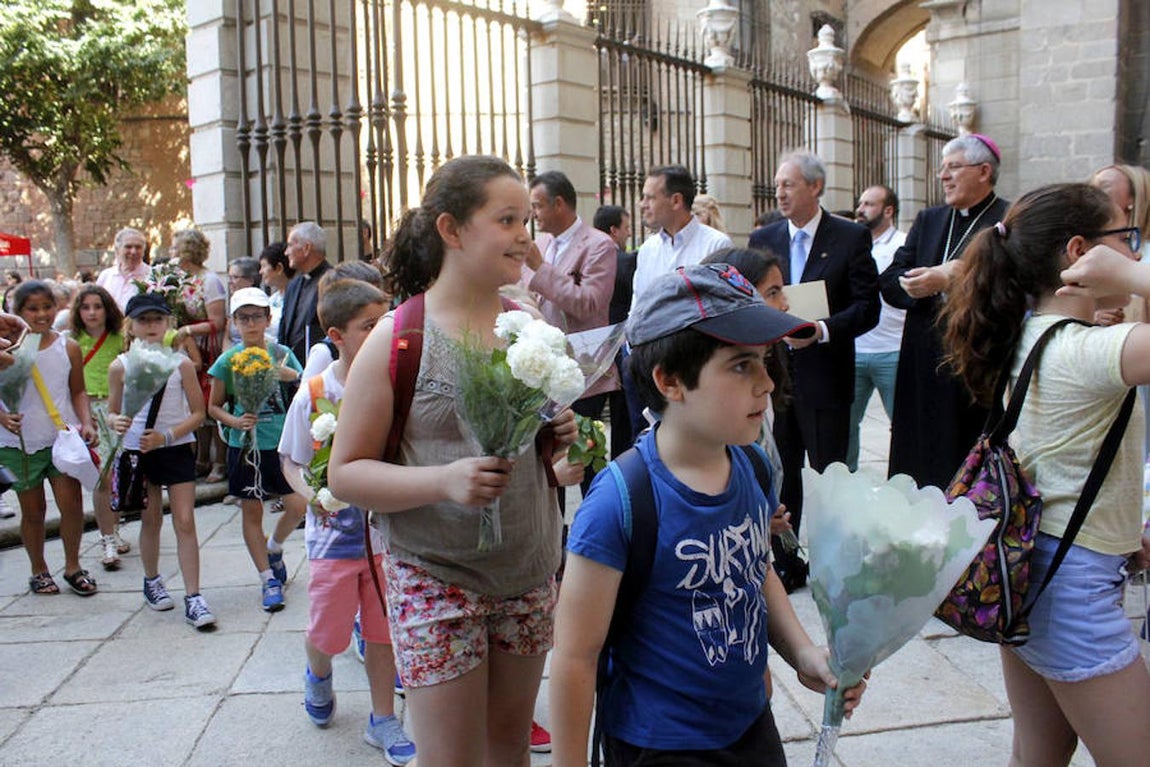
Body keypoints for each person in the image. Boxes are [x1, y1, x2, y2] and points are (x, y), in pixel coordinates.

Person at [549, 262, 864, 767]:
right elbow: (575, 655)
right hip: (662, 742)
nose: (766, 382)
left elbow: (755, 568)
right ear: (670, 381)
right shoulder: (620, 501)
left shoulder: (753, 467)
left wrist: (803, 653)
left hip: (749, 726)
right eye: (741, 365)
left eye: (766, 360)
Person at [328, 155, 578, 767]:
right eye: (508, 219)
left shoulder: (529, 327)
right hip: (435, 576)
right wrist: (444, 480)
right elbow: (345, 473)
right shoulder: (398, 338)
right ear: (451, 229)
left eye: (529, 218)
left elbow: (543, 445)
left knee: (509, 750)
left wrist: (558, 432)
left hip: (527, 572)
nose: (527, 234)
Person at [941, 182, 1150, 767]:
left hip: (1031, 563)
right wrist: (1135, 280)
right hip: (1070, 587)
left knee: (1041, 750)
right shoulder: (1091, 351)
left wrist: (1120, 531)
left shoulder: (1033, 332)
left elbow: (1059, 457)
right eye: (1124, 239)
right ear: (1080, 250)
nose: (1134, 252)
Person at [279, 278, 415, 764]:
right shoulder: (314, 393)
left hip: (386, 534)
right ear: (336, 335)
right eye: (369, 326)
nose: (383, 333)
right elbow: (291, 460)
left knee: (383, 630)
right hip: (334, 538)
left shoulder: (396, 383)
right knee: (329, 632)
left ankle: (383, 719)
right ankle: (318, 671)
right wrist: (311, 493)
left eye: (386, 323)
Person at [747, 151, 880, 592]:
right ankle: (786, 560)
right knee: (780, 471)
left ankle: (833, 559)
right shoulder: (765, 238)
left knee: (828, 474)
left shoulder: (850, 237)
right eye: (778, 185)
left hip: (826, 375)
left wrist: (823, 330)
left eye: (789, 184)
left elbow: (867, 308)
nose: (780, 192)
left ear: (815, 187)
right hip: (778, 376)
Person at [879, 134, 1010, 490]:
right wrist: (912, 286)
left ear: (984, 171)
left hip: (974, 364)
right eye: (942, 168)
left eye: (953, 167)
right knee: (917, 461)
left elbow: (1011, 285)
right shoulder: (930, 220)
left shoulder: (1009, 220)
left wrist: (950, 280)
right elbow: (889, 279)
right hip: (921, 364)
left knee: (963, 459)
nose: (943, 176)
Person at [108, 293, 213, 628]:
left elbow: (199, 413)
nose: (151, 326)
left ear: (169, 323)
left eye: (157, 319)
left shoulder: (180, 363)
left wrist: (167, 436)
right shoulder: (120, 366)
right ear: (131, 325)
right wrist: (116, 422)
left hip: (174, 446)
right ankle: (152, 579)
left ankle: (194, 595)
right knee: (150, 518)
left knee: (184, 519)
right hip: (139, 450)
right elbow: (111, 411)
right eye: (143, 320)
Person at [207, 287, 306, 612]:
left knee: (298, 503)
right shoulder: (229, 360)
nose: (251, 323)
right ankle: (267, 578)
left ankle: (274, 547)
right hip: (245, 445)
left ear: (268, 318)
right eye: (243, 317)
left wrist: (295, 376)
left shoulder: (280, 353)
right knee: (252, 512)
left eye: (257, 316)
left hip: (279, 443)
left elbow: (308, 390)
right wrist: (234, 423)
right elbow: (214, 406)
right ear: (234, 322)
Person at [523, 170, 619, 498]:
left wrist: (541, 269)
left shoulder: (599, 245)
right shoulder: (541, 244)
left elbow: (590, 303)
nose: (532, 215)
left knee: (586, 458)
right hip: (545, 373)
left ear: (559, 203)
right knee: (551, 459)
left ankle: (600, 531)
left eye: (537, 206)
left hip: (585, 372)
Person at [0, 281, 97, 596]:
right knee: (33, 510)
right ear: (18, 312)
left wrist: (86, 423)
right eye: (33, 308)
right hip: (21, 442)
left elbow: (78, 391)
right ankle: (39, 569)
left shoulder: (67, 346)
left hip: (62, 438)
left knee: (72, 505)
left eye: (47, 306)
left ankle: (73, 565)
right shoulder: (6, 351)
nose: (41, 314)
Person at [67, 284, 130, 569]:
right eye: (85, 307)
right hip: (88, 412)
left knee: (119, 474)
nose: (92, 312)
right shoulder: (71, 341)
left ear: (107, 308)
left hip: (118, 410)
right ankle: (106, 539)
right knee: (102, 474)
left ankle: (114, 530)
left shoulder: (120, 338)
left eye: (97, 306)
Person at [848, 184, 907, 470]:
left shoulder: (903, 245)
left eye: (868, 204)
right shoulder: (852, 244)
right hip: (856, 350)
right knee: (846, 425)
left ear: (888, 210)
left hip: (893, 351)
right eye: (860, 203)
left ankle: (904, 481)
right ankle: (847, 484)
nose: (860, 209)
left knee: (904, 427)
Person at [168, 228, 230, 483]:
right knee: (195, 407)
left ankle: (219, 462)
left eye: (174, 248)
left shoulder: (209, 280)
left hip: (209, 347)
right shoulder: (180, 280)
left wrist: (187, 329)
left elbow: (217, 321)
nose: (171, 254)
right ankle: (201, 458)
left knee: (210, 404)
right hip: (189, 347)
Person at [630, 165, 732, 306]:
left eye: (650, 198)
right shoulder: (648, 249)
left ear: (676, 201)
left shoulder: (716, 245)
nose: (642, 204)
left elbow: (721, 306)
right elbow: (637, 308)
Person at [594, 204, 638, 458]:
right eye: (627, 228)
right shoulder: (626, 261)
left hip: (591, 349)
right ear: (613, 230)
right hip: (619, 345)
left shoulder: (587, 261)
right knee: (622, 418)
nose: (628, 234)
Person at [279, 221, 333, 365]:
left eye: (290, 245)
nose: (286, 252)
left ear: (306, 248)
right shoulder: (293, 284)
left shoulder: (333, 281)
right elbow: (284, 328)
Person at [96, 227, 152, 310]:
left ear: (144, 251)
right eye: (128, 247)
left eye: (138, 247)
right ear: (117, 250)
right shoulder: (106, 276)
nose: (133, 251)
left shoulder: (152, 276)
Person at [259, 242, 295, 342]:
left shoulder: (297, 299)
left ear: (279, 268)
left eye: (264, 266)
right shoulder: (273, 299)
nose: (260, 271)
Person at [227, 257, 261, 345]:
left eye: (234, 277)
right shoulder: (234, 302)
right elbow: (227, 337)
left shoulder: (262, 304)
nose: (230, 282)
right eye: (229, 277)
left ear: (250, 280)